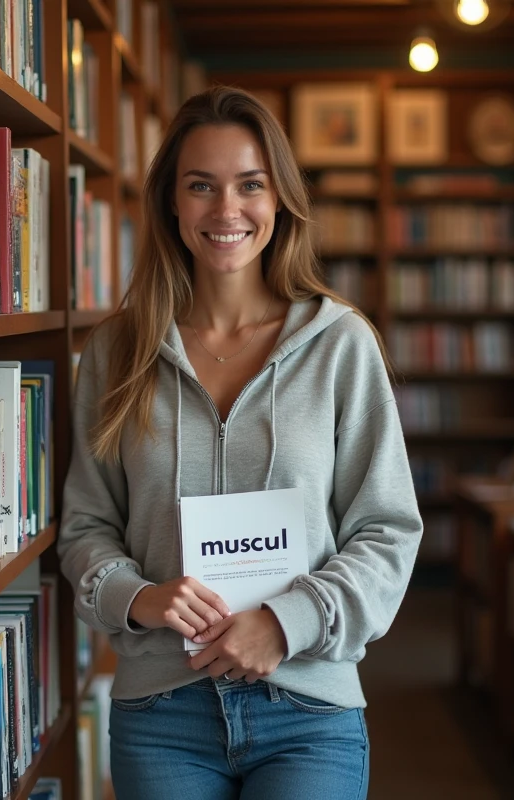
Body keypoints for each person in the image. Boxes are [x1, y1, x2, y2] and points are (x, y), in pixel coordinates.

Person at [57, 85, 423, 800]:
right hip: (162, 711)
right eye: (202, 186)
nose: (227, 210)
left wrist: (287, 623)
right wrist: (139, 596)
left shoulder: (340, 345)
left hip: (308, 707)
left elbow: (387, 532)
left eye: (249, 185)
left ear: (280, 199)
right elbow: (85, 526)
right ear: (171, 201)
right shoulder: (117, 351)